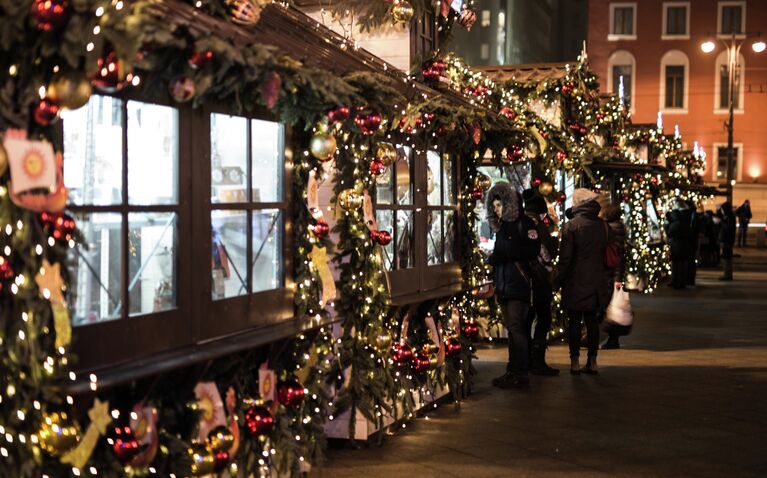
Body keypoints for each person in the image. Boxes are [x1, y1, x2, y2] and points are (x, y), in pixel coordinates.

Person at [486, 183, 541, 388]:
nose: (496, 209)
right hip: (505, 284)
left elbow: (531, 250)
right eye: (494, 205)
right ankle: (513, 369)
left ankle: (521, 371)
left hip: (518, 283)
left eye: (500, 205)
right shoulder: (503, 227)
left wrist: (503, 254)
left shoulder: (524, 224)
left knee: (517, 327)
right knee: (512, 327)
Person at [554, 189, 609, 375]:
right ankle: (593, 361)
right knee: (592, 322)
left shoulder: (571, 226)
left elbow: (565, 259)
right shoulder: (602, 225)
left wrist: (557, 280)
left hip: (575, 281)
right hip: (596, 280)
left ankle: (575, 361)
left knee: (575, 321)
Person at [522, 189, 559, 376]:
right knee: (543, 318)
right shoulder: (540, 226)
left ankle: (527, 358)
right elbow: (549, 250)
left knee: (527, 319)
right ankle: (538, 360)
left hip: (524, 280)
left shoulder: (521, 223)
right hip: (540, 279)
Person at [600, 202, 626, 350]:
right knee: (611, 306)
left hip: (610, 272)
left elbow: (614, 254)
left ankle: (612, 338)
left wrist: (617, 278)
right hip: (615, 272)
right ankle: (612, 338)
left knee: (608, 306)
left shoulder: (610, 229)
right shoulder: (618, 226)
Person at [666, 201, 693, 289]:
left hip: (676, 246)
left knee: (676, 265)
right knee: (683, 265)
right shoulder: (685, 223)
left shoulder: (674, 224)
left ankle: (676, 281)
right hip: (685, 246)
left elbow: (669, 234)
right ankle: (682, 282)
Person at [719, 202, 737, 280]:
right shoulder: (728, 216)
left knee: (726, 258)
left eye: (722, 209)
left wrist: (720, 222)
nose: (721, 211)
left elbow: (728, 228)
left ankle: (727, 275)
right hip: (727, 239)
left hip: (727, 240)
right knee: (726, 257)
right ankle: (727, 274)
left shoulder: (730, 216)